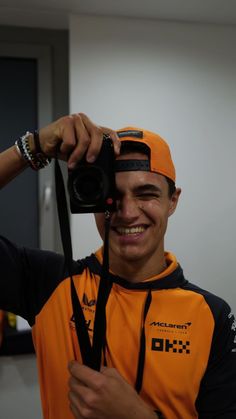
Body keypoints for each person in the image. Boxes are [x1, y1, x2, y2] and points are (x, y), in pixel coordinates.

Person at [0, 113, 236, 419]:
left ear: (172, 201)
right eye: (112, 196)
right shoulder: (51, 283)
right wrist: (31, 148)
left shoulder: (211, 315)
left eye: (146, 194)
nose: (127, 212)